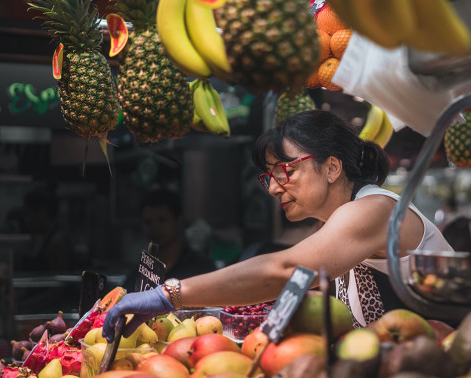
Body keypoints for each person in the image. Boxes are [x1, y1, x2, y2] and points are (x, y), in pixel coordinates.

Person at [103, 110, 453, 339]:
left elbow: (283, 271)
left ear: (332, 168)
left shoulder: (375, 209)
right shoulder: (337, 224)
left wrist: (170, 294)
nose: (272, 187)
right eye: (268, 177)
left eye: (285, 171)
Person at [122, 189, 216, 291]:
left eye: (162, 220)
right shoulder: (140, 272)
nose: (155, 227)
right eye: (148, 222)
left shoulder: (201, 267)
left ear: (179, 221)